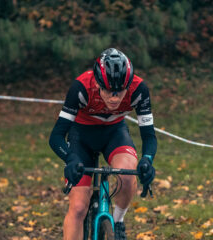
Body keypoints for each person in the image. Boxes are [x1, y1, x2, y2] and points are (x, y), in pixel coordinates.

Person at [49, 48, 157, 240]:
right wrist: (70, 158)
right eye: (108, 91)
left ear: (128, 85)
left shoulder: (139, 89)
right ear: (98, 83)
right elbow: (56, 135)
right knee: (79, 207)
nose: (114, 98)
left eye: (120, 91)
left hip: (114, 134)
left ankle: (118, 222)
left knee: (127, 174)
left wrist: (147, 159)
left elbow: (148, 136)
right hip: (81, 137)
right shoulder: (81, 87)